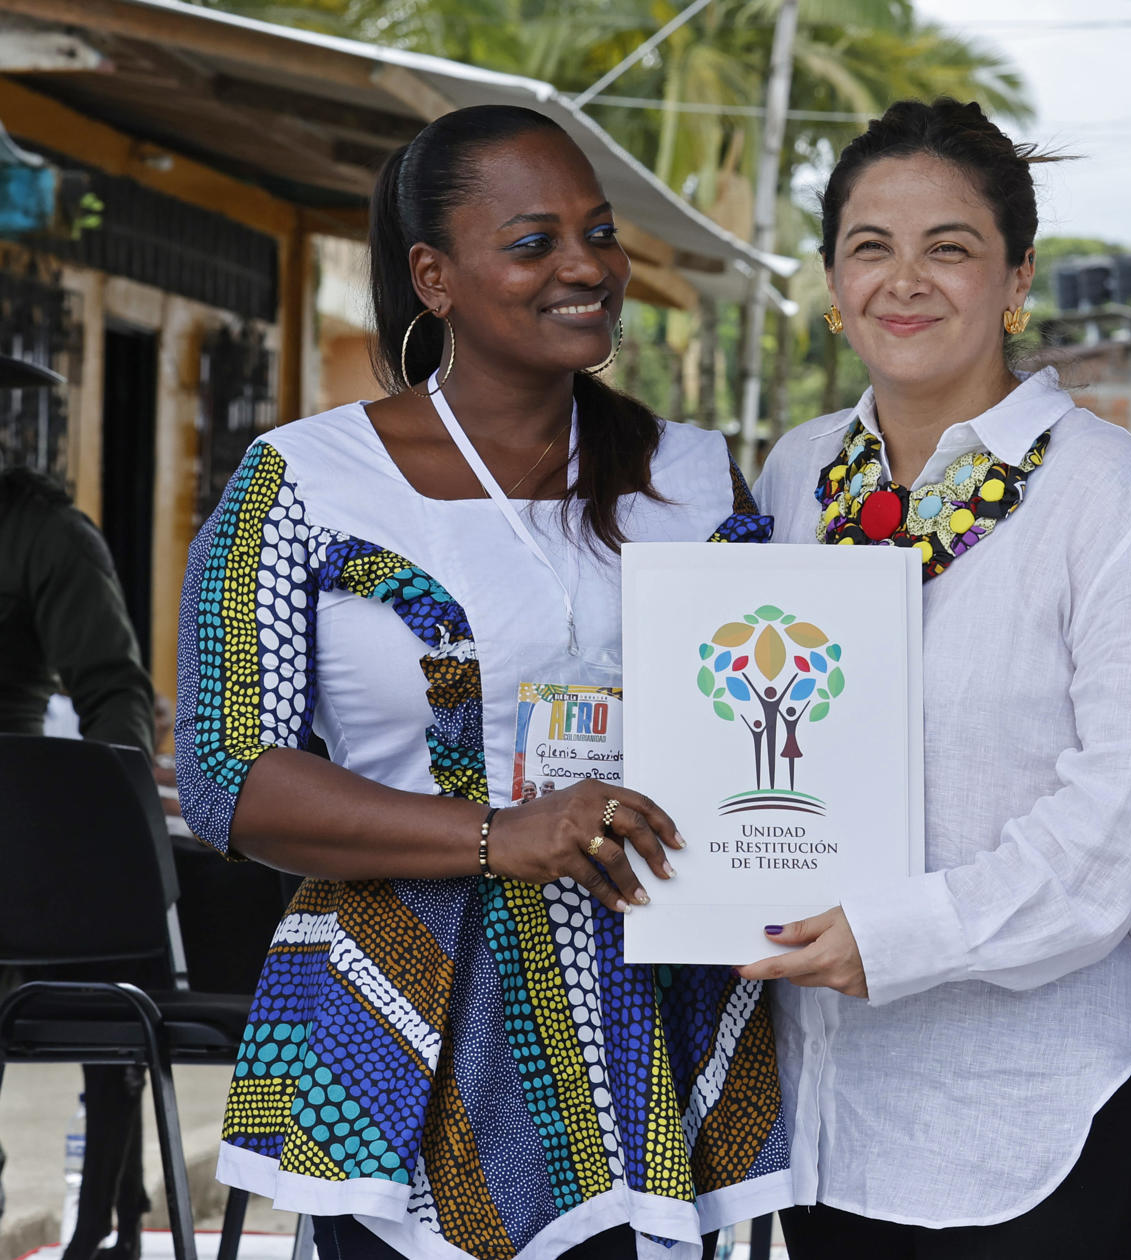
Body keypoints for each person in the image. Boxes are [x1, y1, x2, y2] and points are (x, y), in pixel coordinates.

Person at [174, 105, 789, 1260]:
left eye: (600, 235)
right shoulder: (303, 483)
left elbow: (779, 710)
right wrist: (501, 833)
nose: (586, 268)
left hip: (652, 1022)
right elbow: (226, 779)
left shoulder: (694, 476)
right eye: (533, 242)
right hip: (403, 1032)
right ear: (433, 277)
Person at [742, 98, 1131, 1259]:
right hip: (828, 1115)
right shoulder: (797, 475)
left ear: (1016, 280)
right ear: (830, 278)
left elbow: (1119, 827)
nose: (904, 280)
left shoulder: (1106, 495)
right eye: (871, 246)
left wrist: (902, 933)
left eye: (947, 248)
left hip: (1036, 1116)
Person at [0, 359, 159, 1259]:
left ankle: (108, 1214)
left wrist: (106, 842)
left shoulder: (42, 533)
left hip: (10, 825)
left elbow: (113, 698)